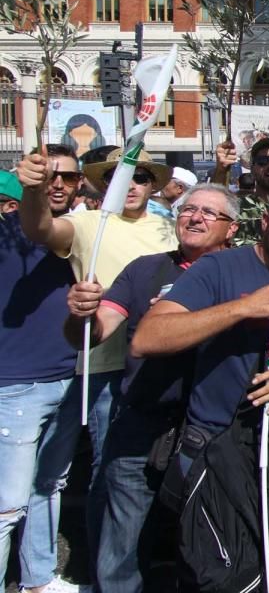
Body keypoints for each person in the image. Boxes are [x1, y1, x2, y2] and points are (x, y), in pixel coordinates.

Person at [133, 180, 269, 588]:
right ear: (265, 221)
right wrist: (244, 307)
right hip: (219, 451)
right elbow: (148, 338)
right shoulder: (219, 268)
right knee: (226, 574)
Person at [65, 183, 239, 593]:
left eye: (209, 213)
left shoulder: (244, 273)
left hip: (214, 431)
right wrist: (80, 316)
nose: (195, 217)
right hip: (142, 423)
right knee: (123, 543)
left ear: (232, 229)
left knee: (205, 543)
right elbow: (96, 330)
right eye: (188, 209)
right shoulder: (143, 269)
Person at [16, 145, 178, 581]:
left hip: (153, 365)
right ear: (102, 184)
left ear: (152, 186)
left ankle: (132, 563)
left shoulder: (167, 229)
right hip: (100, 365)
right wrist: (33, 191)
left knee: (136, 474)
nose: (129, 184)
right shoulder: (90, 223)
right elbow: (39, 229)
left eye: (140, 177)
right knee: (97, 476)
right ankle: (95, 569)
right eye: (117, 177)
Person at [0, 155, 82, 593]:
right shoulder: (8, 235)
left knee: (49, 486)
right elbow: (38, 225)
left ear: (79, 184)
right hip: (15, 386)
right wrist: (29, 192)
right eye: (48, 176)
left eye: (66, 176)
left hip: (71, 379)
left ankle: (38, 579)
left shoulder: (85, 232)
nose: (57, 183)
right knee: (5, 505)